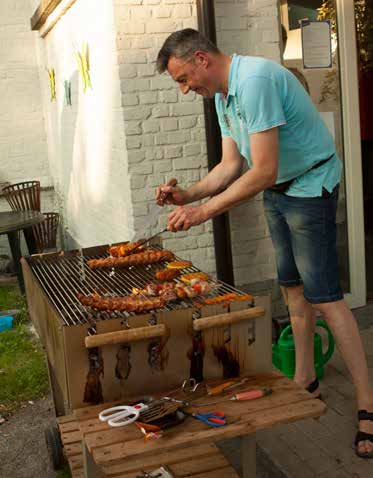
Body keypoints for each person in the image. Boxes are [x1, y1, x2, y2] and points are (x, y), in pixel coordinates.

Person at [154, 28, 373, 458]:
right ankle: (306, 379)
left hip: (309, 185)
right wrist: (189, 195)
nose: (184, 89)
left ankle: (367, 404)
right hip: (278, 191)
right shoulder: (222, 95)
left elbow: (264, 169)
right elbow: (231, 165)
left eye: (183, 78)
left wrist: (203, 212)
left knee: (326, 298)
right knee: (292, 290)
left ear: (201, 58)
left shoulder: (254, 82)